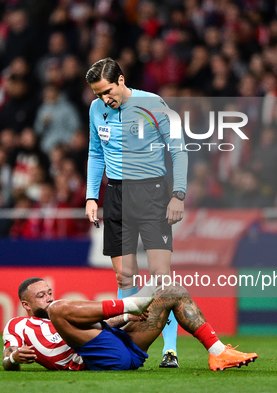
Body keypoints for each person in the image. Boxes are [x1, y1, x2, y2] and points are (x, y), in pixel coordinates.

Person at [84, 58, 188, 367]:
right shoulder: (96, 110)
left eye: (107, 91)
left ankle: (170, 351)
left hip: (152, 193)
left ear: (121, 80)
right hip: (116, 194)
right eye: (97, 93)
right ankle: (129, 347)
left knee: (160, 277)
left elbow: (178, 149)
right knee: (124, 274)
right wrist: (92, 196)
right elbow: (95, 152)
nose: (104, 99)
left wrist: (178, 194)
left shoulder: (152, 103)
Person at [2, 277, 257, 371]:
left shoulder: (65, 311)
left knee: (172, 290)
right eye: (40, 296)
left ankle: (218, 352)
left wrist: (125, 318)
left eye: (48, 292)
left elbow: (101, 324)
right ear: (25, 305)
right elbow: (6, 359)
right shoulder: (17, 326)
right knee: (59, 309)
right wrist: (14, 359)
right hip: (98, 358)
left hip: (126, 346)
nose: (48, 297)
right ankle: (131, 303)